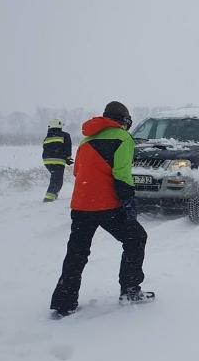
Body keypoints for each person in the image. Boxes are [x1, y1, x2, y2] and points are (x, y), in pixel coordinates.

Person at [50, 101, 152, 318]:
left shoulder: (86, 140)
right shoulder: (123, 138)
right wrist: (129, 204)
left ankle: (64, 302)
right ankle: (130, 290)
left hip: (80, 205)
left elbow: (78, 173)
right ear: (123, 121)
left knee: (76, 253)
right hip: (107, 206)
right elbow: (122, 175)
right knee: (136, 238)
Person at [41, 119, 73, 202]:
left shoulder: (47, 137)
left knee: (54, 177)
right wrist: (68, 158)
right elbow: (67, 147)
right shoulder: (65, 135)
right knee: (57, 180)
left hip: (47, 161)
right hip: (58, 160)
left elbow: (46, 148)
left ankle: (54, 195)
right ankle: (49, 198)